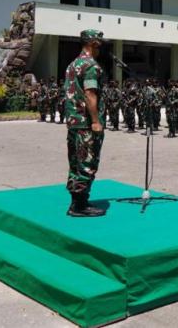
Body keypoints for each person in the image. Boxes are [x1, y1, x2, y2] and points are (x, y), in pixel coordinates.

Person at [63, 29, 107, 217]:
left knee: (75, 162)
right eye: (99, 44)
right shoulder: (91, 66)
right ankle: (79, 206)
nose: (101, 48)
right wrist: (96, 121)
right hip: (86, 124)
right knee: (87, 162)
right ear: (93, 44)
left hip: (74, 122)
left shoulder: (73, 64)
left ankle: (76, 201)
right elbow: (90, 93)